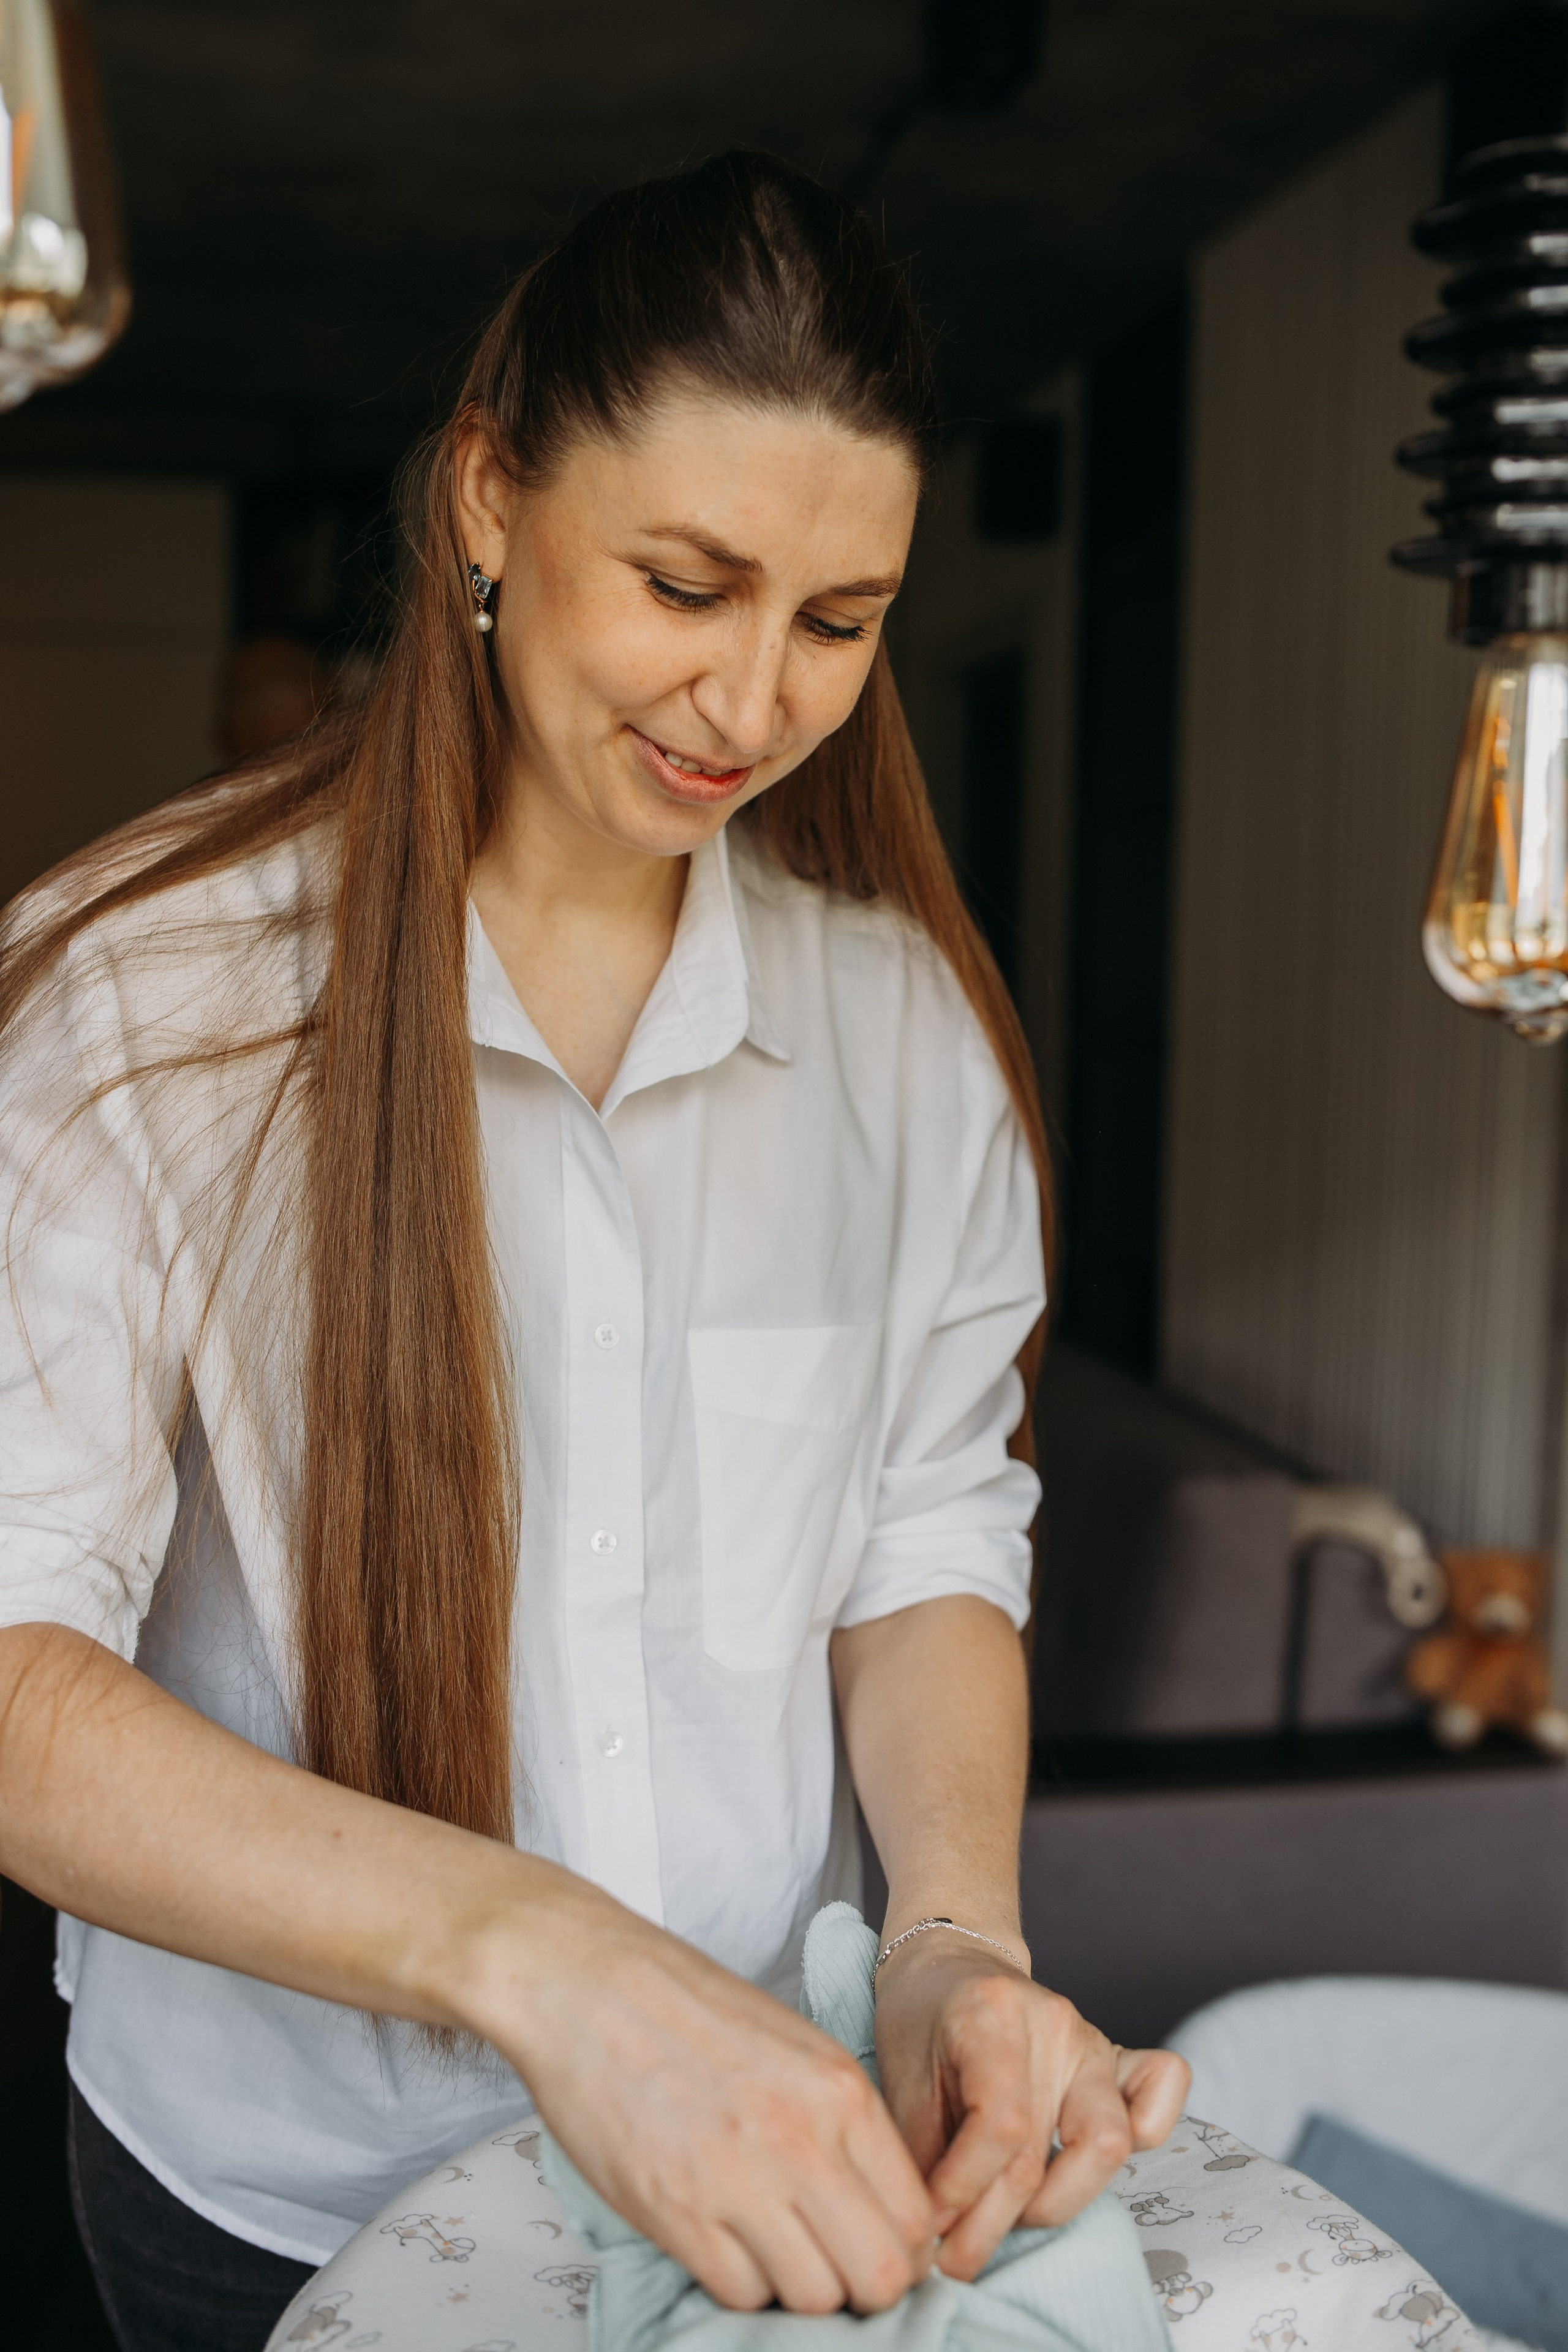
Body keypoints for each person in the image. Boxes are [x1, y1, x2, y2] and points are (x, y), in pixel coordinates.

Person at [0, 153, 1188, 2352]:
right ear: (484, 498)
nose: (753, 702)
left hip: (765, 2192)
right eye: (686, 583)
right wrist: (557, 1969)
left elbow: (927, 1533)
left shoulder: (898, 1032)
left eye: (836, 624)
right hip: (270, 2200)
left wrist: (950, 1943)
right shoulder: (143, 1002)